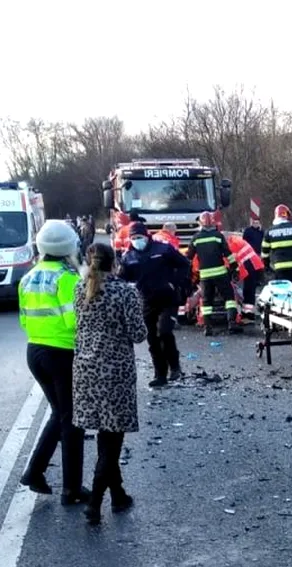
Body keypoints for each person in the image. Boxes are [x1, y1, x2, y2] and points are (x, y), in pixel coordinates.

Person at [73, 243, 148, 525]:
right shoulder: (125, 292)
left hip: (84, 370)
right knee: (112, 437)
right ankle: (94, 503)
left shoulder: (79, 289)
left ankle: (118, 495)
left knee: (106, 434)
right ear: (114, 263)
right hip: (115, 371)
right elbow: (139, 334)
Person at [17, 220, 90, 505]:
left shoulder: (29, 276)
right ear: (68, 247)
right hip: (62, 354)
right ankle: (71, 489)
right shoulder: (67, 278)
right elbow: (76, 321)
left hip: (35, 351)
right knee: (73, 420)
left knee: (59, 413)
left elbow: (23, 319)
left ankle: (34, 472)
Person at [120, 222, 190, 386]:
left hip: (168, 299)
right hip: (145, 302)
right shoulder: (128, 257)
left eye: (140, 237)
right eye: (134, 238)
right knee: (152, 339)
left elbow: (183, 264)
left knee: (164, 331)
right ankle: (160, 374)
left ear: (147, 236)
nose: (138, 241)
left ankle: (174, 366)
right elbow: (122, 279)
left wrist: (174, 282)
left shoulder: (163, 249)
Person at [188, 211, 242, 336]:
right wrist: (234, 268)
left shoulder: (196, 238)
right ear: (213, 222)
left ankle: (208, 327)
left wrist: (189, 274)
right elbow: (228, 254)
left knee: (207, 302)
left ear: (200, 223)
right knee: (229, 298)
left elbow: (189, 257)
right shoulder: (218, 236)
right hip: (220, 273)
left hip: (205, 276)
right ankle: (232, 324)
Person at [227, 231, 265, 312]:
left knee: (248, 291)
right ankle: (248, 313)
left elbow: (230, 264)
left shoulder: (230, 247)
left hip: (251, 267)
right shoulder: (234, 241)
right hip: (256, 265)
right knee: (249, 290)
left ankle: (248, 314)